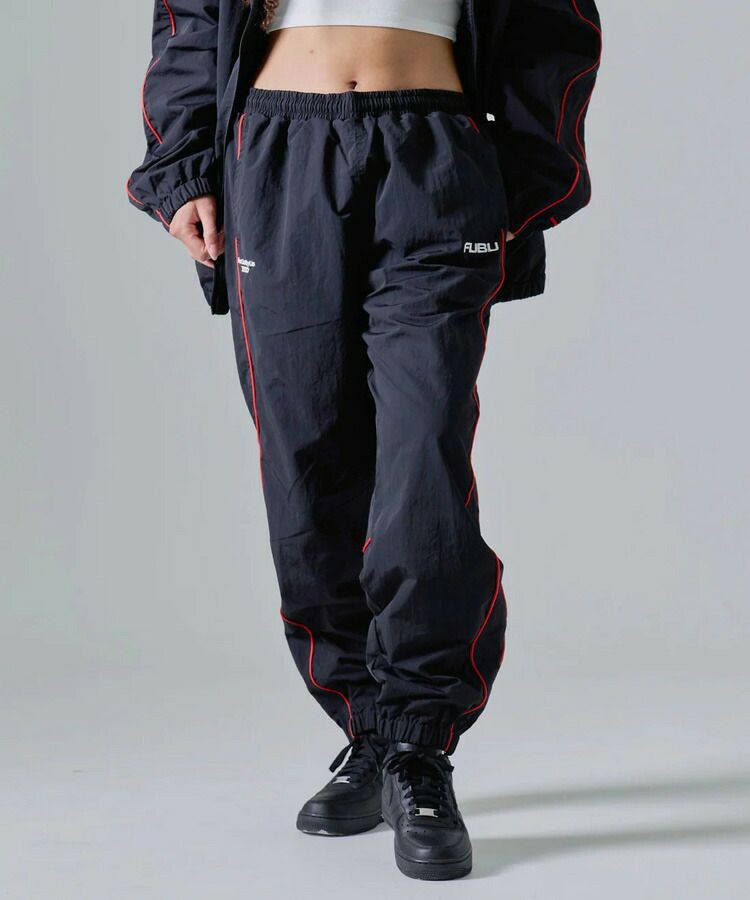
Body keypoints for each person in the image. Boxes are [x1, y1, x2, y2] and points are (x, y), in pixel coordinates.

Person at [128, 0, 601, 881]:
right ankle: (372, 734)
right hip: (276, 150)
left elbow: (556, 21)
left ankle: (420, 746)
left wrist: (526, 175)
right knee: (306, 465)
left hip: (433, 150)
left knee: (424, 456)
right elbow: (189, 16)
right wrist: (184, 167)